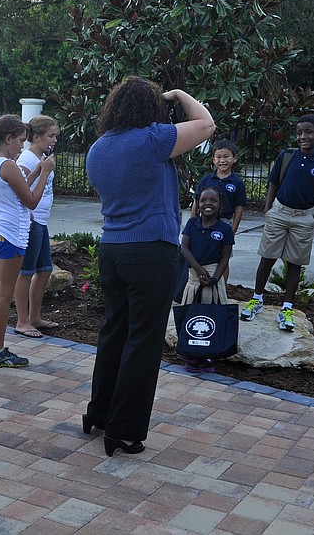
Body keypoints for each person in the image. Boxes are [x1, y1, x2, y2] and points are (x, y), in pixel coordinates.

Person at [84, 78, 214, 457]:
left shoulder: (98, 147)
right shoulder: (152, 140)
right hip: (150, 251)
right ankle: (124, 433)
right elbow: (205, 125)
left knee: (114, 334)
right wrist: (178, 95)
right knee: (143, 341)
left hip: (111, 250)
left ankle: (100, 414)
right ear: (151, 108)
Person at [239, 114, 314, 331]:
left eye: (309, 132)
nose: (303, 136)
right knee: (267, 258)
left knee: (294, 263)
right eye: (299, 132)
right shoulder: (287, 156)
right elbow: (273, 182)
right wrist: (268, 209)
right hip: (279, 212)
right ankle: (257, 299)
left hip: (304, 217)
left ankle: (287, 307)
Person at [0, 114, 55, 368]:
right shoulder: (8, 165)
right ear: (7, 139)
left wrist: (37, 170)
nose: (22, 145)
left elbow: (17, 188)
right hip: (11, 235)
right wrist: (46, 173)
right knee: (4, 294)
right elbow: (30, 200)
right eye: (19, 140)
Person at [13, 115, 59, 338]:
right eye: (51, 136)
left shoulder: (42, 157)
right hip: (32, 222)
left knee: (44, 270)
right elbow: (21, 191)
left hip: (42, 221)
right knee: (26, 272)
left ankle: (35, 317)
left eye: (55, 135)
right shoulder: (27, 159)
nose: (54, 140)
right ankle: (22, 321)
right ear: (37, 137)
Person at [180, 186, 234, 373]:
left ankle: (207, 355)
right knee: (191, 313)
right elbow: (184, 248)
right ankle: (191, 351)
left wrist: (215, 278)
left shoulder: (225, 229)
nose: (207, 204)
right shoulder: (192, 224)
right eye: (203, 200)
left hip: (212, 278)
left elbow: (225, 257)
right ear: (198, 203)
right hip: (195, 277)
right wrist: (198, 269)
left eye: (213, 201)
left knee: (210, 314)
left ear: (220, 205)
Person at [190, 139, 246, 234]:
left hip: (225, 222)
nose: (222, 160)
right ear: (213, 160)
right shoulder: (206, 180)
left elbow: (239, 207)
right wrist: (192, 224)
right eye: (218, 157)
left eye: (226, 157)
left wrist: (233, 230)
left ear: (234, 158)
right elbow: (196, 201)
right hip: (204, 220)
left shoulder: (238, 183)